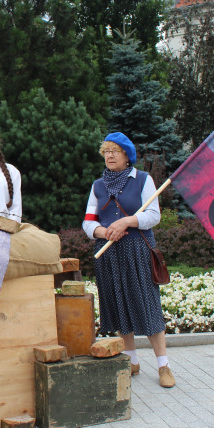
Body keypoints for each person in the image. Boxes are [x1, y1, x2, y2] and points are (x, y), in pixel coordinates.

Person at [82, 132, 174, 388]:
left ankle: (163, 365)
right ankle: (132, 360)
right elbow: (88, 221)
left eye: (115, 151)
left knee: (147, 304)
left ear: (127, 156)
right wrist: (102, 231)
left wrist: (127, 221)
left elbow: (153, 215)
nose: (110, 156)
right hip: (108, 252)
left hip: (137, 250)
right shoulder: (98, 185)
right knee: (119, 303)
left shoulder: (143, 180)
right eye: (106, 151)